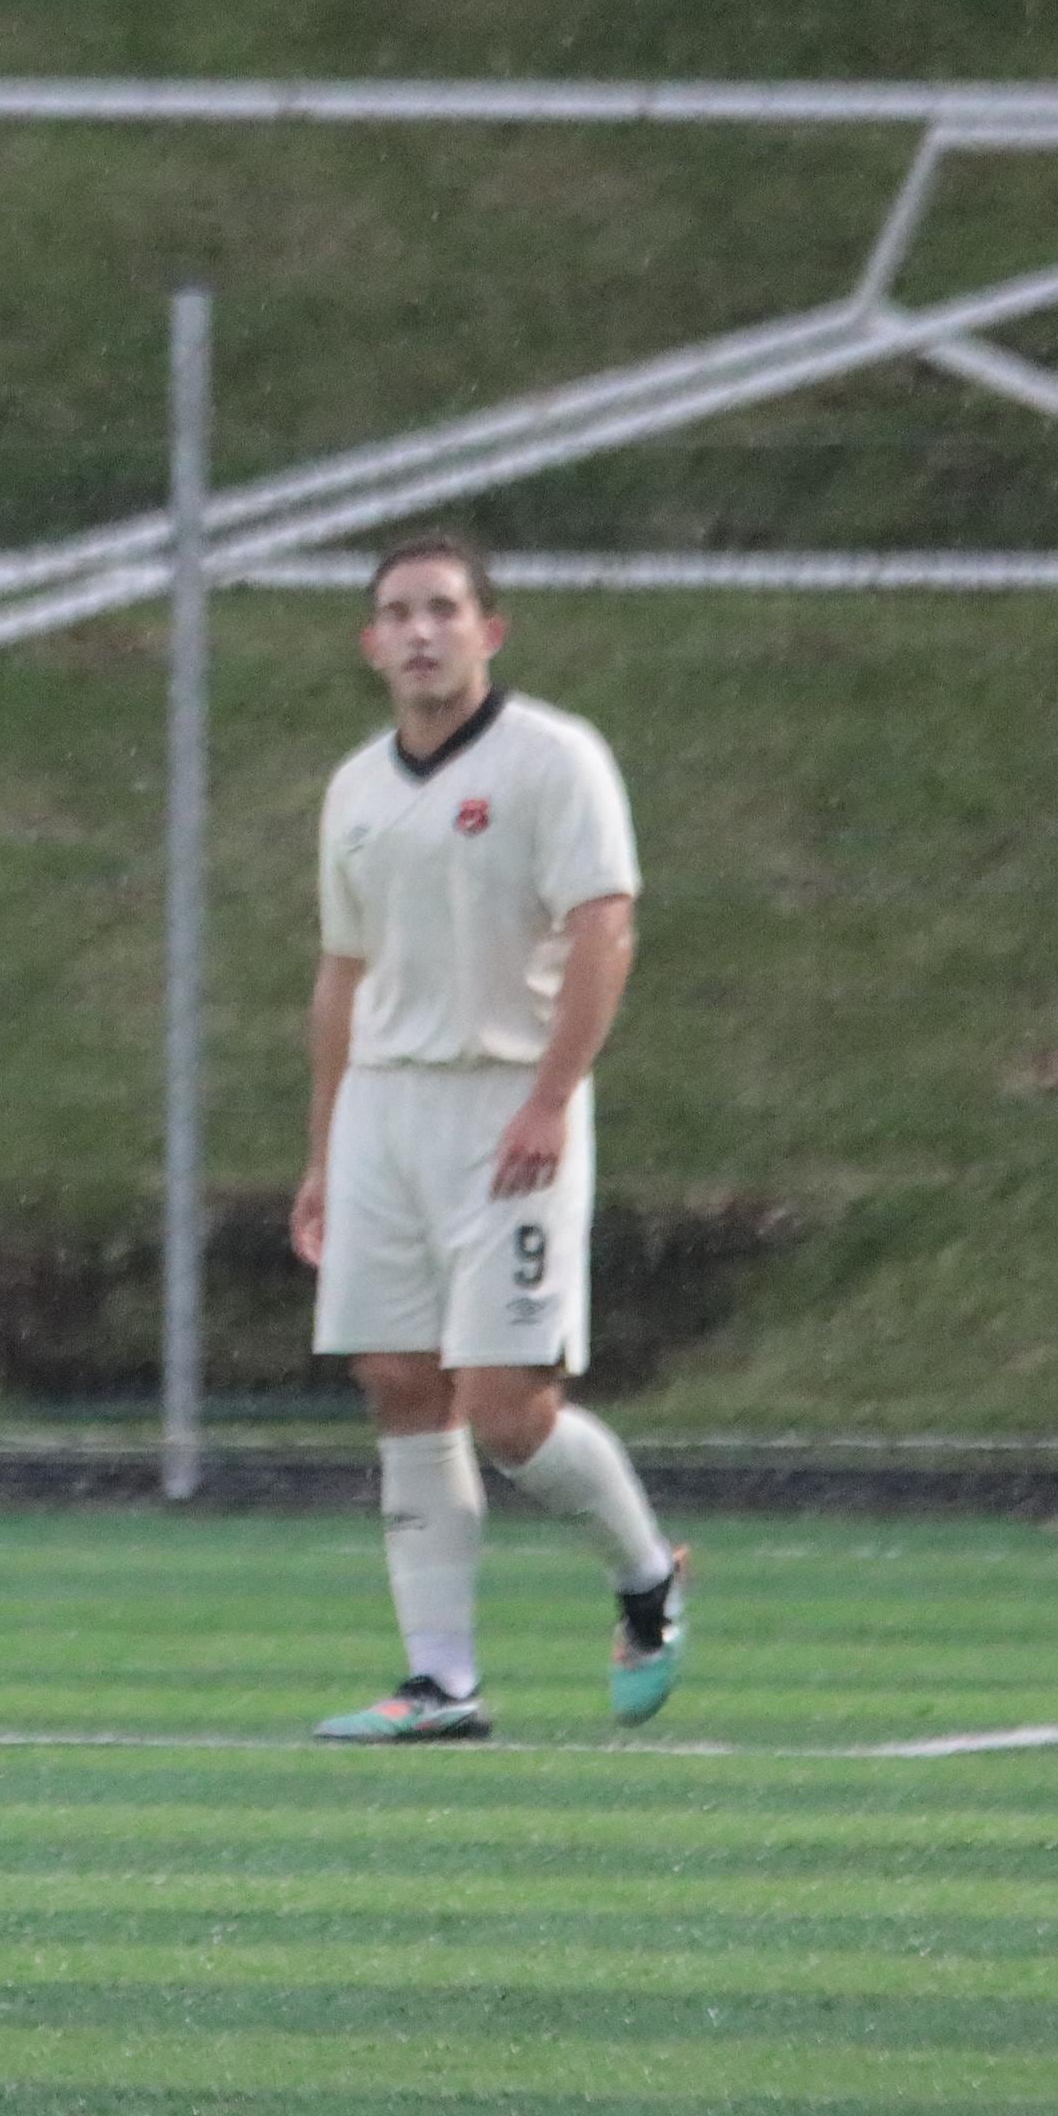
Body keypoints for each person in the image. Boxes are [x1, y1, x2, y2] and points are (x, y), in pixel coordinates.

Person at [295, 534, 686, 1743]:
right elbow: (340, 973)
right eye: (396, 614)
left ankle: (644, 1578)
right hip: (383, 1111)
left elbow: (602, 929)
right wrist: (319, 1148)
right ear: (369, 644)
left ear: (487, 630)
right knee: (397, 1380)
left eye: (442, 610)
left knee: (506, 1406)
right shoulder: (354, 787)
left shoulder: (553, 759)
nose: (419, 632)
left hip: (506, 1099)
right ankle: (439, 1679)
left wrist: (547, 1097)